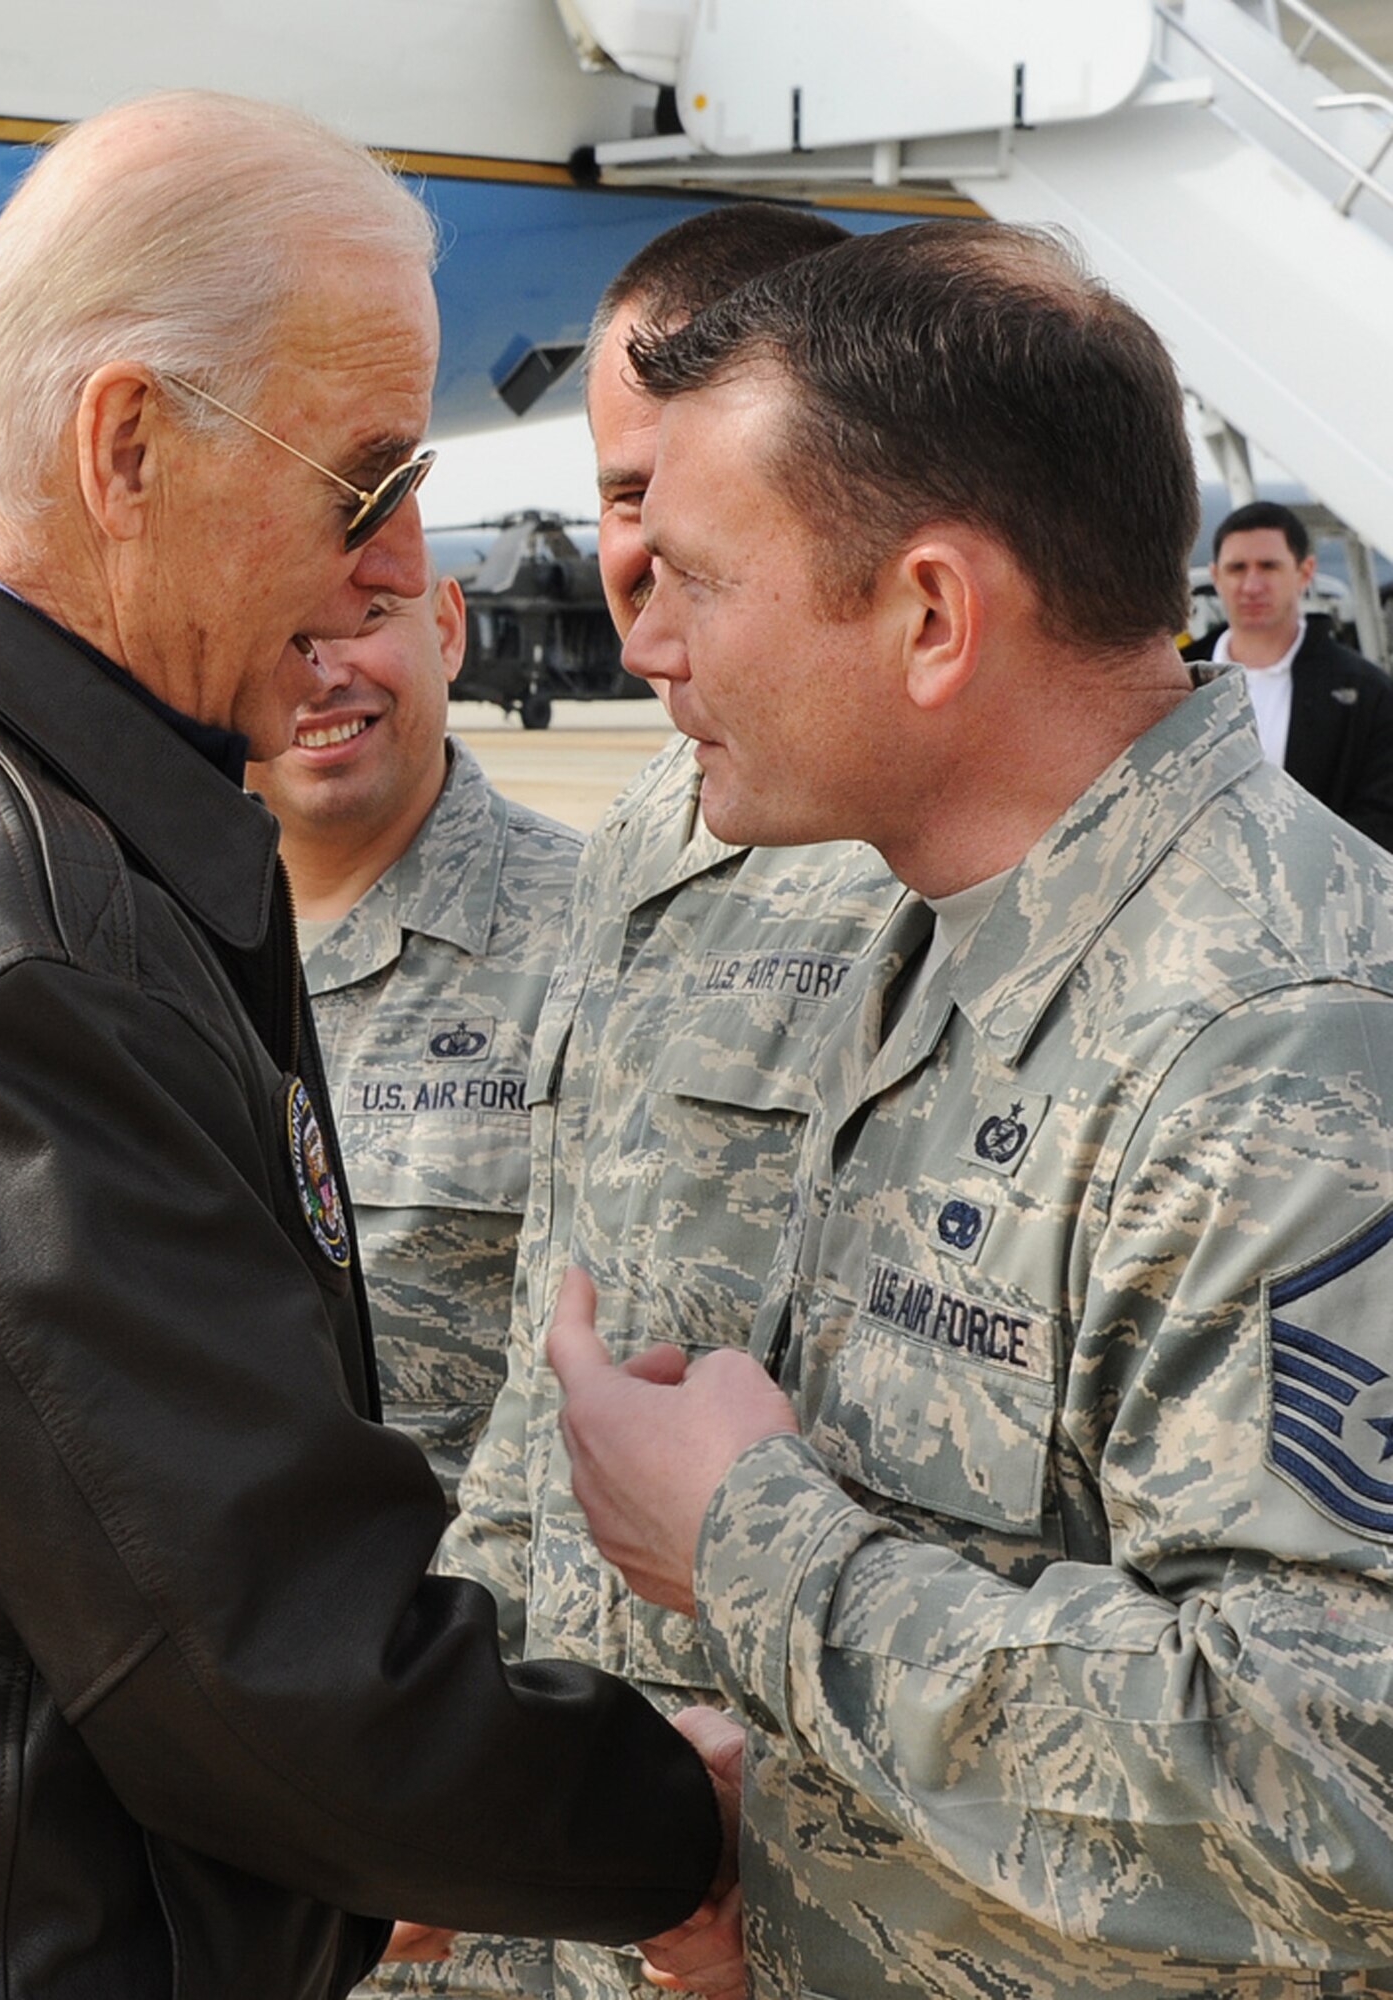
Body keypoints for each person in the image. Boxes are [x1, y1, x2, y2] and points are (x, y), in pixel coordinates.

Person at [0, 90, 735, 2000]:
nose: (388, 561)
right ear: (125, 443)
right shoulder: (3, 947)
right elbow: (264, 1667)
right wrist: (682, 1835)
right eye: (364, 477)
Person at [550, 221, 1393, 1998]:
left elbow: (1339, 1787)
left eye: (705, 577)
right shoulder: (948, 936)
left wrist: (749, 1548)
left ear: (930, 615)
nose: (654, 646)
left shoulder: (1277, 1043)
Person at [439, 203, 900, 2000]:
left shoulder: (899, 855)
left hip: (796, 1851)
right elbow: (552, 1330)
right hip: (597, 1825)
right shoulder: (645, 832)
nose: (624, 555)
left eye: (658, 497)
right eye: (607, 497)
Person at [249, 567, 581, 1520]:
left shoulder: (602, 944)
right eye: (282, 625)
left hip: (478, 1638)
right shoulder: (133, 938)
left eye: (364, 616)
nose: (322, 672)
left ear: (447, 627)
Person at [1184, 499, 1393, 850]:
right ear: (1216, 576)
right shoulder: (1173, 681)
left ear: (1305, 573)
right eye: (1237, 568)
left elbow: (1383, 815)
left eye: (1268, 566)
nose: (1252, 585)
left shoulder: (1368, 694)